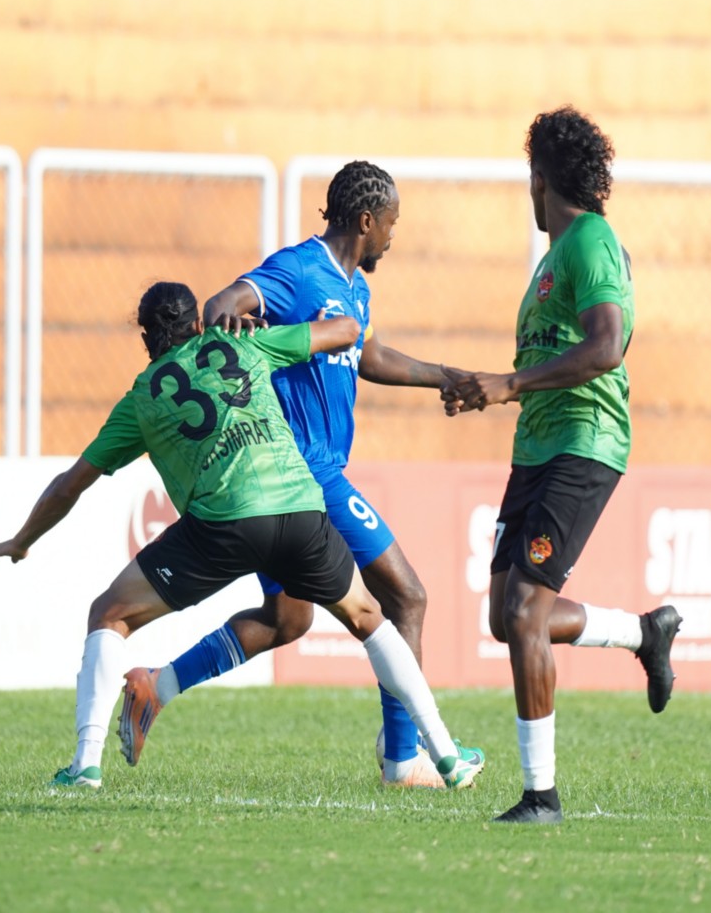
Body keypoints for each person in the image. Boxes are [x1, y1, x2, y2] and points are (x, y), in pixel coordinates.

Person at [0, 280, 485, 792]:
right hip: (301, 507)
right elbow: (347, 330)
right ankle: (444, 755)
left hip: (224, 525)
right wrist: (262, 325)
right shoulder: (244, 343)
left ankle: (84, 766)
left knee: (110, 614)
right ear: (198, 324)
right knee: (370, 617)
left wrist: (21, 540)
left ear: (145, 337)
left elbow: (69, 485)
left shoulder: (142, 399)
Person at [117, 162, 470, 788]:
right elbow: (225, 301)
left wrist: (443, 376)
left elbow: (368, 354)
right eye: (391, 225)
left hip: (299, 479)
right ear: (367, 221)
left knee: (289, 621)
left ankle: (157, 687)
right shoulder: (298, 269)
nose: (393, 236)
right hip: (307, 471)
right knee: (406, 595)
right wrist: (239, 324)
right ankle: (404, 757)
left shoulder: (354, 287)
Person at [443, 107, 681, 825]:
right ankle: (645, 634)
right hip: (538, 449)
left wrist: (510, 385)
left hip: (585, 442)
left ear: (539, 179)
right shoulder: (554, 259)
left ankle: (541, 797)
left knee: (524, 613)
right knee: (505, 617)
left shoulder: (591, 244)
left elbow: (607, 347)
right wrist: (494, 387)